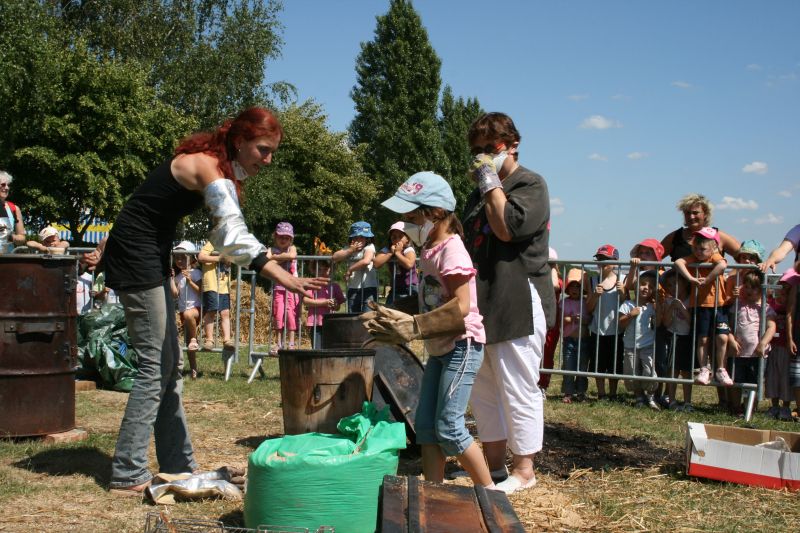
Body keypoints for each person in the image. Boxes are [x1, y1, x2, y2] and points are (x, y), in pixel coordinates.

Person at [84, 107, 326, 496]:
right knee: (154, 366)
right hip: (135, 258)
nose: (268, 160)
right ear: (240, 141)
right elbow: (231, 233)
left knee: (170, 364)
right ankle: (128, 473)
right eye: (263, 150)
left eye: (272, 152)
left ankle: (178, 465)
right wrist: (281, 275)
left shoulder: (215, 165)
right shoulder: (207, 167)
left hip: (148, 255)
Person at [363, 171, 494, 490]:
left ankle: (491, 494)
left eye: (411, 217)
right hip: (440, 348)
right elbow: (432, 296)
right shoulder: (429, 250)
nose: (406, 224)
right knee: (425, 428)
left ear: (434, 213)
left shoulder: (452, 250)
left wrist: (415, 326)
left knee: (449, 428)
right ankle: (432, 492)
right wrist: (396, 310)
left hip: (462, 347)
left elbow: (462, 305)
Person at [461, 112, 556, 494]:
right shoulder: (476, 195)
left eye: (490, 147)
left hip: (519, 296)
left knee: (517, 385)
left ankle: (524, 469)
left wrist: (489, 181)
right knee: (484, 387)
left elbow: (505, 228)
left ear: (512, 144)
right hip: (483, 298)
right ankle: (495, 468)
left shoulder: (530, 184)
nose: (482, 156)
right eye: (477, 150)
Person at [674, 227, 731, 386]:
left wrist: (707, 279)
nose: (699, 252)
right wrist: (691, 278)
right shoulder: (693, 258)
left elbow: (722, 265)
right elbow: (678, 262)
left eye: (703, 249)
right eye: (696, 248)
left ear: (713, 248)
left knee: (722, 337)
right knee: (703, 339)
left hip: (719, 305)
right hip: (700, 305)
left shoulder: (714, 257)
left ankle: (720, 369)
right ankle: (704, 369)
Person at [728, 270, 775, 417]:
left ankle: (750, 407)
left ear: (761, 289)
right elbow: (729, 325)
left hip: (757, 353)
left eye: (753, 287)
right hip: (738, 352)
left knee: (754, 381)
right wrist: (731, 340)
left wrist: (763, 343)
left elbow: (771, 327)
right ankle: (736, 407)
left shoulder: (766, 308)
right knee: (736, 380)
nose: (749, 290)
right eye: (747, 286)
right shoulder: (738, 305)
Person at [586, 245, 624, 400]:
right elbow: (589, 307)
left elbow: (626, 304)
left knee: (614, 364)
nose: (601, 263)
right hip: (598, 329)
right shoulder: (592, 280)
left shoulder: (622, 279)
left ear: (615, 262)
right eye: (599, 259)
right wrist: (595, 296)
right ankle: (601, 393)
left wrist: (623, 292)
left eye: (605, 259)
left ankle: (613, 393)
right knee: (598, 364)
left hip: (616, 330)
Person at [619, 270, 660, 410]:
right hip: (630, 345)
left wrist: (658, 308)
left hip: (648, 345)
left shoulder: (652, 306)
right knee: (631, 372)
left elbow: (658, 323)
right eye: (643, 284)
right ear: (636, 286)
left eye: (650, 286)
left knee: (650, 371)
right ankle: (638, 397)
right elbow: (621, 323)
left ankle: (650, 397)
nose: (646, 288)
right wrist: (631, 315)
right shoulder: (627, 304)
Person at [660, 193, 740, 260]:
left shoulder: (718, 236)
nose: (691, 217)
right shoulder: (674, 237)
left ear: (705, 214)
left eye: (695, 213)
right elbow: (654, 259)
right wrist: (661, 273)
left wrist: (733, 273)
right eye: (687, 213)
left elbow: (744, 257)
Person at [660, 269, 694, 411]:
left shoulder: (691, 300)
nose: (673, 287)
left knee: (686, 372)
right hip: (672, 336)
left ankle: (687, 402)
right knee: (672, 370)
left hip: (686, 337)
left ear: (685, 283)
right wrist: (671, 308)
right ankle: (672, 400)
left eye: (676, 283)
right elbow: (666, 323)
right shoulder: (668, 301)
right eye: (669, 285)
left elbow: (692, 322)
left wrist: (682, 308)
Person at [170, 241, 202, 378]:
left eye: (183, 257)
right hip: (184, 311)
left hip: (196, 309)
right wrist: (171, 279)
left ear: (191, 258)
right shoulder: (178, 277)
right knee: (188, 343)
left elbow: (201, 291)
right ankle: (193, 368)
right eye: (177, 257)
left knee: (189, 315)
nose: (179, 260)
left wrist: (190, 281)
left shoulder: (196, 273)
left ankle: (195, 339)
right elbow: (175, 294)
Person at [765, 272, 794, 421]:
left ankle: (786, 406)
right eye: (779, 294)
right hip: (773, 348)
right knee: (772, 376)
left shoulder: (792, 310)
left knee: (785, 378)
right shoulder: (772, 306)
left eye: (785, 294)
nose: (781, 298)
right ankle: (774, 405)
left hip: (787, 349)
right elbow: (767, 295)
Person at [268, 221, 300, 354]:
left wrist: (276, 258)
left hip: (291, 288)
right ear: (275, 236)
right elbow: (267, 260)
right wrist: (279, 258)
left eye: (286, 238)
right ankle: (278, 343)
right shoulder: (271, 249)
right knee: (278, 315)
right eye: (281, 237)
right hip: (278, 288)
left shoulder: (292, 248)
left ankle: (291, 343)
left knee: (291, 315)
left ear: (291, 239)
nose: (283, 240)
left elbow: (292, 256)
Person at [332, 221, 378, 312]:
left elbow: (366, 261)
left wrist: (350, 270)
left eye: (362, 237)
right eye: (356, 237)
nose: (358, 240)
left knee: (368, 317)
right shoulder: (349, 248)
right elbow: (335, 257)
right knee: (352, 316)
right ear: (351, 238)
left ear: (367, 239)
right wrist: (350, 250)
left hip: (368, 288)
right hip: (353, 288)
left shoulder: (369, 247)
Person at [197, 240, 233, 351]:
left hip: (224, 286)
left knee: (225, 313)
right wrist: (219, 258)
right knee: (211, 311)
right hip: (211, 284)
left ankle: (227, 340)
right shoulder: (212, 243)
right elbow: (201, 257)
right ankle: (209, 340)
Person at [560, 268, 589, 403]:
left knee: (582, 368)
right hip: (569, 340)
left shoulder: (586, 302)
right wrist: (571, 319)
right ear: (567, 288)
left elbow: (590, 319)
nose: (574, 289)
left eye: (578, 286)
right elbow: (561, 320)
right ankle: (568, 392)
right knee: (569, 367)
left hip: (584, 340)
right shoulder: (564, 302)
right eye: (571, 286)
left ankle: (581, 392)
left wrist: (583, 320)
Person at [372, 221, 418, 305]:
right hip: (395, 288)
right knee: (389, 310)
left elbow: (409, 264)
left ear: (407, 239)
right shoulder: (388, 249)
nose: (397, 240)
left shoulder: (408, 249)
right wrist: (390, 253)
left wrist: (397, 253)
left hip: (410, 288)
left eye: (400, 236)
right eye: (394, 237)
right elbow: (375, 263)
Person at [304, 259, 345, 348]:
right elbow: (306, 301)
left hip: (330, 323)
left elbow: (338, 307)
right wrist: (324, 302)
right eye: (319, 269)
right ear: (314, 270)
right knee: (317, 348)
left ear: (331, 270)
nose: (322, 272)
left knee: (329, 348)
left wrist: (335, 304)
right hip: (316, 323)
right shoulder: (312, 285)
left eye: (325, 269)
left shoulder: (335, 286)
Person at [539, 247, 562, 398]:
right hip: (534, 321)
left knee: (547, 354)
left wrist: (552, 267)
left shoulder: (557, 279)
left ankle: (542, 385)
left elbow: (554, 286)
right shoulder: (535, 278)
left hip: (550, 323)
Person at [0, 170, 26, 252]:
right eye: (3, 184)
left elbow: (22, 238)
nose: (7, 188)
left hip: (6, 256)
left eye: (8, 185)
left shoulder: (14, 208)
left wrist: (10, 237)